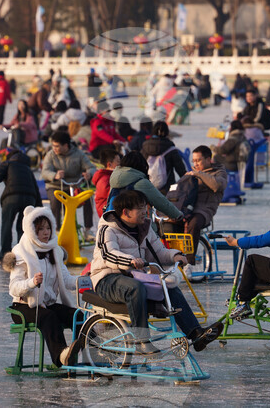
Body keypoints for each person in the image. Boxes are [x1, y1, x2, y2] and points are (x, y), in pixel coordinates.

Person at [90, 190, 221, 353]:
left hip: (136, 276)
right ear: (126, 212)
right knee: (134, 288)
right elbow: (109, 254)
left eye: (145, 207)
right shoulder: (107, 230)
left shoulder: (144, 228)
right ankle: (141, 341)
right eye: (140, 208)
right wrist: (130, 260)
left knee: (168, 287)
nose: (145, 212)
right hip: (107, 278)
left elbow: (158, 251)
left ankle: (196, 334)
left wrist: (175, 255)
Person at [3, 206, 83, 367]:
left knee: (77, 315)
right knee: (48, 317)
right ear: (32, 230)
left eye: (48, 228)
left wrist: (84, 281)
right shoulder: (21, 252)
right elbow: (13, 288)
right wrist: (31, 282)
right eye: (40, 229)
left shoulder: (55, 251)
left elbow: (66, 279)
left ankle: (98, 351)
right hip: (24, 306)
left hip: (48, 304)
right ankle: (62, 355)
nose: (46, 232)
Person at [165, 146, 227, 264]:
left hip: (204, 210)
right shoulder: (192, 173)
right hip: (187, 208)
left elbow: (217, 185)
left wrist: (199, 174)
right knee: (169, 223)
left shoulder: (219, 173)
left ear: (208, 159)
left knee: (194, 223)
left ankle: (189, 260)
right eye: (193, 161)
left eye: (198, 160)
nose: (196, 163)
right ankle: (173, 258)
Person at [0, 148, 43, 262]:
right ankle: (23, 255)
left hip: (11, 198)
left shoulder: (8, 164)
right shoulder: (28, 170)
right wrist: (40, 209)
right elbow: (36, 190)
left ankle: (5, 256)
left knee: (7, 226)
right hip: (30, 199)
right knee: (23, 228)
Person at [41, 131, 96, 231]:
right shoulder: (51, 155)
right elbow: (44, 172)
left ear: (66, 145)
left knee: (88, 198)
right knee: (55, 201)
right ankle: (56, 229)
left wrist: (89, 173)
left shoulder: (78, 154)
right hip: (56, 186)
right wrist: (55, 175)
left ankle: (88, 229)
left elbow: (91, 167)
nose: (54, 148)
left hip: (74, 187)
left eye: (57, 146)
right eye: (53, 145)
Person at [106, 152, 182, 221]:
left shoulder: (114, 178)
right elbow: (161, 202)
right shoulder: (140, 182)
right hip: (137, 225)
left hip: (114, 221)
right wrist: (178, 215)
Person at [141, 121, 187, 194]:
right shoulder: (171, 148)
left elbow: (139, 166)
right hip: (167, 189)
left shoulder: (145, 147)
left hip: (148, 187)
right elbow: (180, 170)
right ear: (167, 132)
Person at [92, 147, 120, 218]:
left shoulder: (109, 176)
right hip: (106, 210)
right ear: (109, 164)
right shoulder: (104, 179)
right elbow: (110, 195)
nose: (120, 164)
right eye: (118, 162)